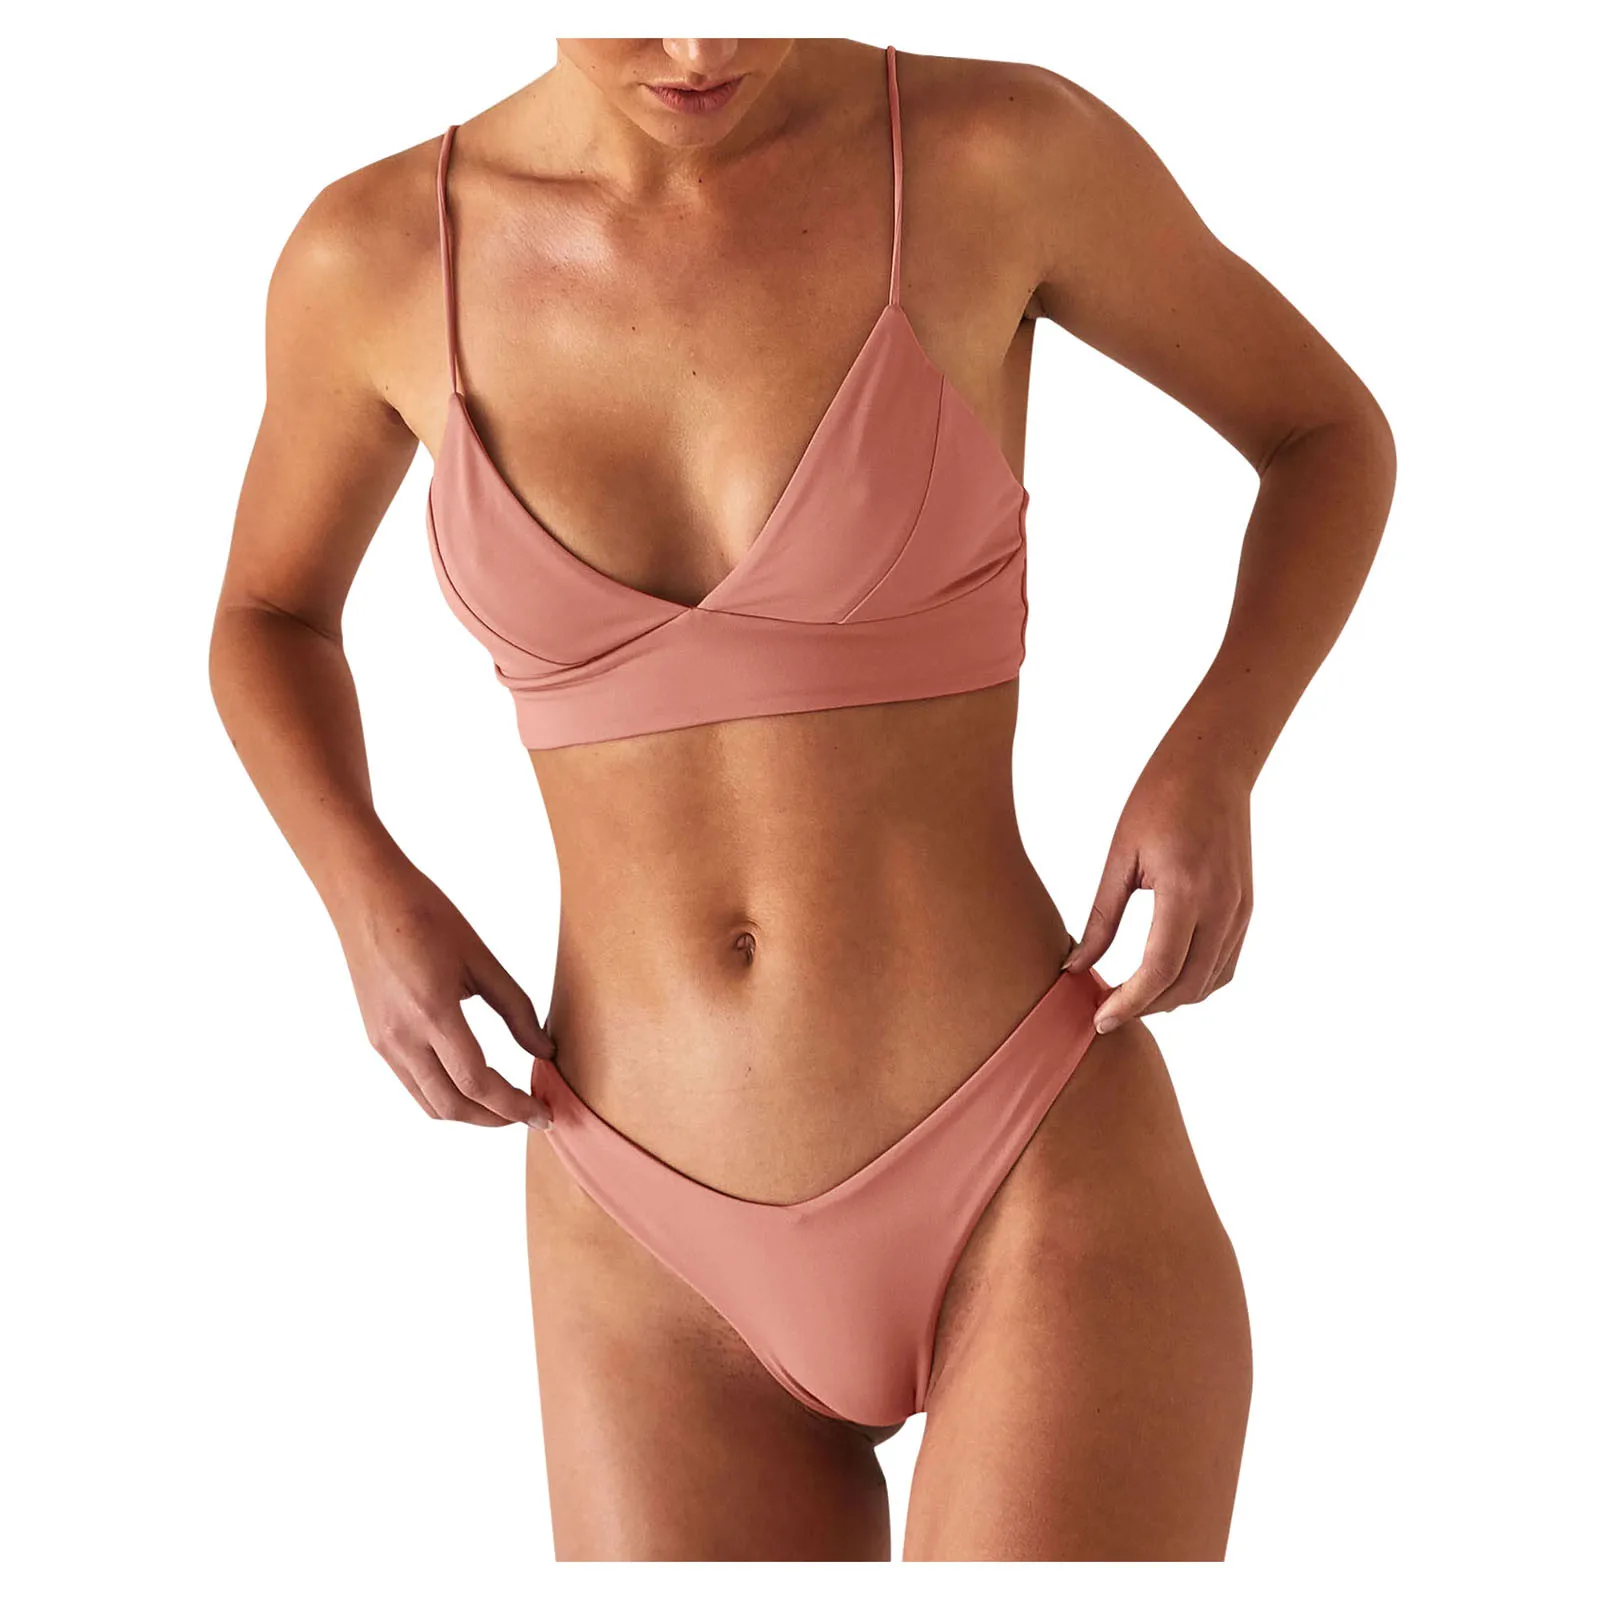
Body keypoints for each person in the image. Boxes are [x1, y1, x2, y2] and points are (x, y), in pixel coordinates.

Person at [209, 38, 1395, 1560]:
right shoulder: (373, 257)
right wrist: (361, 888)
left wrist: (1218, 753)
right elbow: (266, 616)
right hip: (637, 1235)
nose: (702, 47)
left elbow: (1324, 435)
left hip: (1026, 1165)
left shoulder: (989, 152)